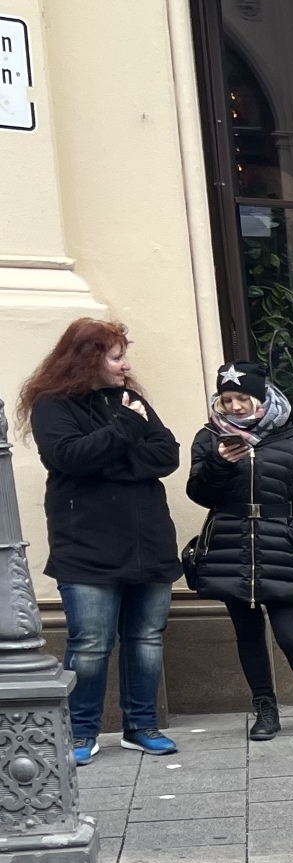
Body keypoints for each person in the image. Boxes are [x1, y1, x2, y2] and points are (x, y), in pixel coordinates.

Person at [18, 318, 184, 763]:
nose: (126, 365)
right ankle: (81, 733)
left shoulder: (132, 400)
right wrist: (126, 436)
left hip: (148, 542)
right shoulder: (52, 406)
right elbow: (70, 457)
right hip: (86, 547)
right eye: (116, 357)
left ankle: (141, 726)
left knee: (146, 638)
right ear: (89, 359)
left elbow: (167, 454)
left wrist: (109, 456)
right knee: (90, 644)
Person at [185, 362, 293, 740]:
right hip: (229, 543)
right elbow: (199, 494)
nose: (235, 407)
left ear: (262, 396)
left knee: (291, 635)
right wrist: (220, 463)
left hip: (279, 543)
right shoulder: (209, 437)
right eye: (227, 399)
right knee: (248, 634)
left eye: (243, 398)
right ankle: (265, 708)